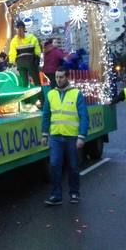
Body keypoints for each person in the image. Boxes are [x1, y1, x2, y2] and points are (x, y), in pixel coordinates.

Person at [41, 67, 89, 206]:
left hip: (72, 137)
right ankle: (56, 195)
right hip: (56, 136)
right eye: (56, 77)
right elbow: (46, 115)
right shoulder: (51, 94)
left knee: (73, 166)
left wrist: (81, 136)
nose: (58, 79)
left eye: (61, 77)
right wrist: (45, 134)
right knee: (54, 165)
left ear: (67, 77)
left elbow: (84, 116)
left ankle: (74, 192)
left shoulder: (76, 94)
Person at [8, 21, 41, 87]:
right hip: (31, 61)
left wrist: (11, 62)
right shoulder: (32, 37)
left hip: (20, 63)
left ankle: (26, 96)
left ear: (16, 29)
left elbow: (12, 53)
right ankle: (40, 96)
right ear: (25, 28)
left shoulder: (14, 40)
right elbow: (37, 50)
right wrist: (37, 58)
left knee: (24, 83)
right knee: (36, 81)